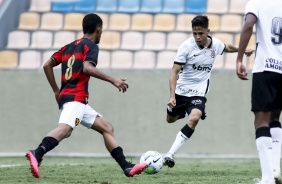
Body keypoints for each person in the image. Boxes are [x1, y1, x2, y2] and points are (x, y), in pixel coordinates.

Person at [25, 13, 147, 178]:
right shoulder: (90, 46)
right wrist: (113, 80)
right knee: (65, 130)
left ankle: (126, 166)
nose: (101, 33)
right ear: (98, 29)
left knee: (107, 128)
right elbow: (87, 68)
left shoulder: (68, 46)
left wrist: (56, 90)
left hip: (74, 99)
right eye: (101, 30)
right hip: (76, 98)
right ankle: (37, 153)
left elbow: (47, 65)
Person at [163, 15, 253, 168]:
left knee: (195, 117)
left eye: (201, 33)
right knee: (170, 120)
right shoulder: (186, 47)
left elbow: (228, 47)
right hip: (181, 90)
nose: (197, 37)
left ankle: (169, 154)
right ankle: (184, 111)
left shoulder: (215, 45)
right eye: (194, 33)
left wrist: (242, 50)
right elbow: (174, 72)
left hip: (199, 91)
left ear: (207, 31)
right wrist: (172, 96)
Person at [236, 0, 282, 183]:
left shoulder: (256, 3)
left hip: (265, 68)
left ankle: (268, 178)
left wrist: (239, 58)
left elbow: (249, 24)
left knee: (261, 121)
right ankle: (275, 169)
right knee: (275, 118)